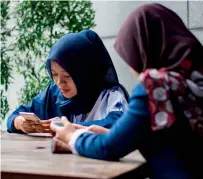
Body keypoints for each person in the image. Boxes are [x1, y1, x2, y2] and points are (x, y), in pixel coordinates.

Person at [51, 4, 203, 179]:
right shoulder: (193, 79)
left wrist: (72, 136)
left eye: (132, 55)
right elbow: (176, 141)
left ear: (146, 49)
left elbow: (107, 148)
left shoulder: (156, 87)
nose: (133, 68)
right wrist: (118, 135)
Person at [7, 30, 129, 134]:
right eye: (54, 74)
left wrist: (65, 127)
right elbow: (16, 114)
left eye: (67, 75)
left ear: (85, 73)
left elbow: (119, 126)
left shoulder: (111, 96)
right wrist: (19, 123)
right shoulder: (55, 92)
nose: (59, 82)